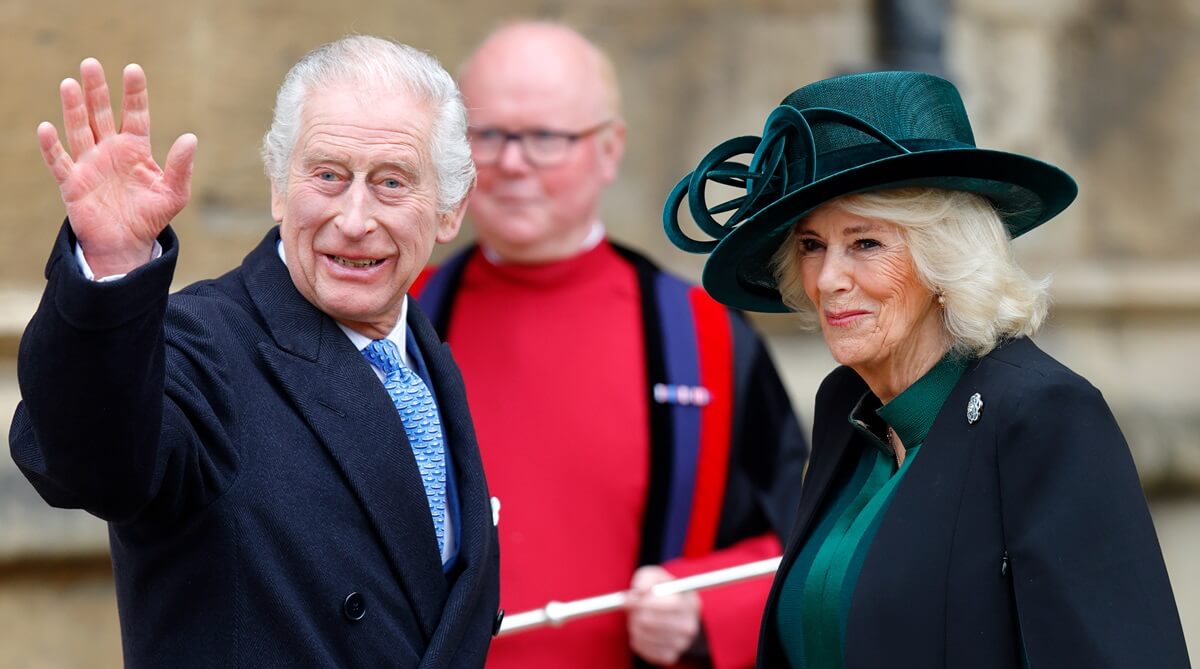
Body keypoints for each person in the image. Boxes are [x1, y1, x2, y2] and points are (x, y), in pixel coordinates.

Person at [663, 70, 1191, 668]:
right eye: (812, 245)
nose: (829, 278)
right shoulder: (847, 407)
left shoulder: (1043, 415)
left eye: (866, 243)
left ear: (946, 257)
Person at [9, 36, 501, 667]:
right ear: (278, 186)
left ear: (450, 208)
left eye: (391, 182)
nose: (354, 219)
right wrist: (111, 278)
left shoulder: (425, 356)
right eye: (326, 175)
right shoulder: (201, 344)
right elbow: (85, 460)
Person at [415, 22, 808, 669]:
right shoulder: (394, 320)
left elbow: (807, 540)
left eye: (545, 137)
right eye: (485, 135)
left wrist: (711, 612)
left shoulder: (703, 332)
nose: (511, 162)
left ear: (608, 148)